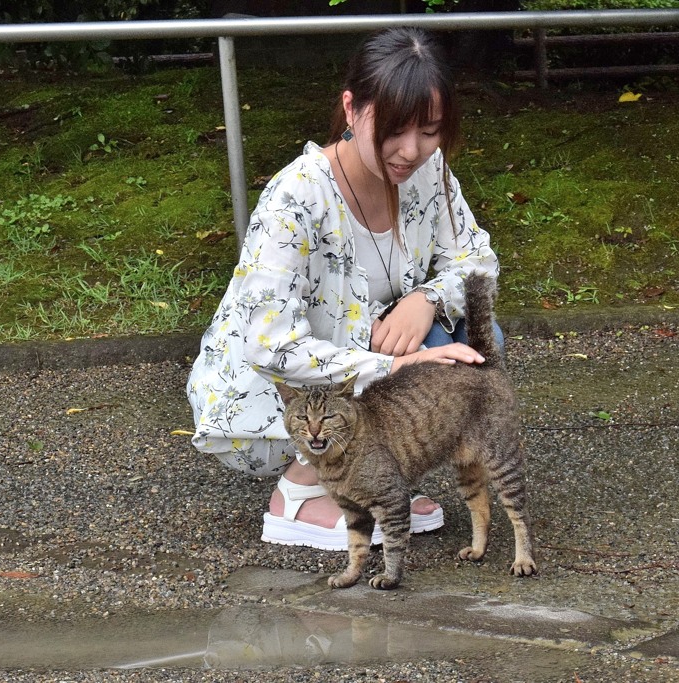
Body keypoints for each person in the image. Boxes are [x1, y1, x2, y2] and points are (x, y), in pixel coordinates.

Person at [186, 27, 502, 552]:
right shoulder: (297, 197)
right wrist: (397, 367)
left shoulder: (429, 173)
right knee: (431, 357)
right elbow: (269, 344)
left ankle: (375, 478)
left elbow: (478, 263)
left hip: (359, 361)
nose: (411, 151)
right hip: (270, 388)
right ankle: (299, 492)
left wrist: (426, 301)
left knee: (478, 333)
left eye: (430, 131)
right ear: (351, 108)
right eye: (396, 129)